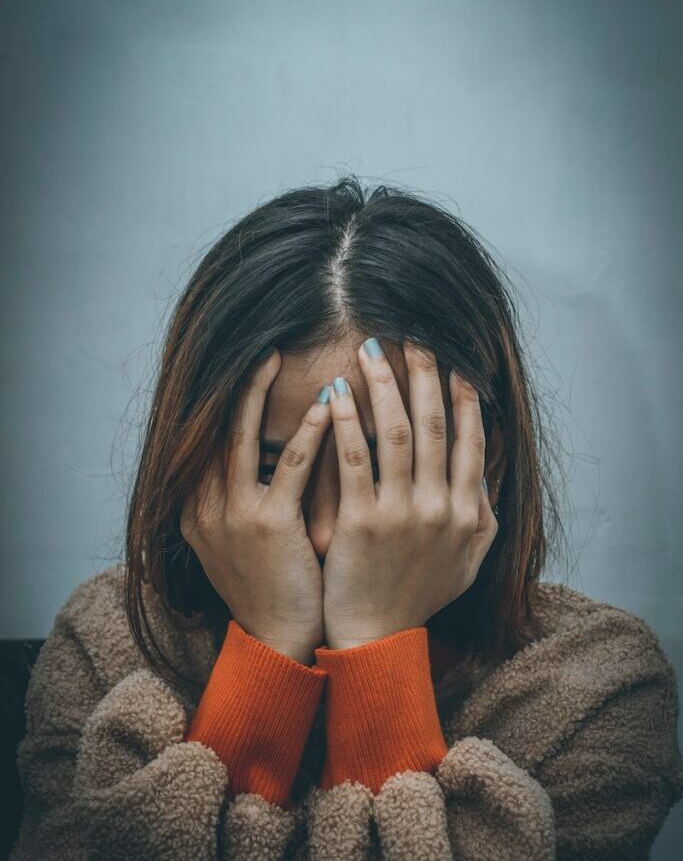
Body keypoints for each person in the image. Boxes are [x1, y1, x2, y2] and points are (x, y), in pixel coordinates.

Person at [10, 177, 683, 860]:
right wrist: (266, 659)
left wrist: (375, 651)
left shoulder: (593, 685)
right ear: (195, 457)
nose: (329, 532)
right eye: (276, 470)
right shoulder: (112, 641)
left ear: (487, 455)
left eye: (384, 471)